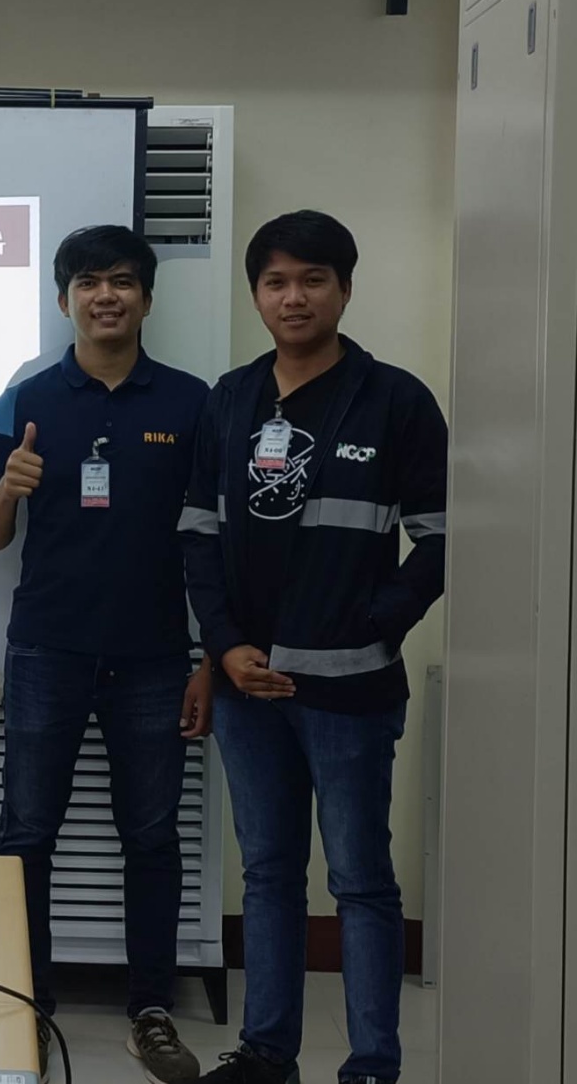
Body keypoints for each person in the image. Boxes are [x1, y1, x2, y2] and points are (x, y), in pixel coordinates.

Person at [180, 211, 446, 1084]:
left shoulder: (396, 399)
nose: (293, 297)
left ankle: (371, 1063)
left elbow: (442, 537)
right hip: (247, 690)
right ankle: (267, 1053)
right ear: (256, 294)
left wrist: (373, 622)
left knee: (361, 880)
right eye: (275, 282)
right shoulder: (229, 399)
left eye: (312, 280)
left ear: (344, 289)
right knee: (267, 874)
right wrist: (224, 647)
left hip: (351, 692)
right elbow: (199, 536)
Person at [0, 225, 210, 1084]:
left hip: (155, 656)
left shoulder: (192, 402)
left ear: (147, 297)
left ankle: (150, 1011)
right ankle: (29, 1006)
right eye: (90, 281)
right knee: (25, 833)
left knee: (152, 836)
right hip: (47, 650)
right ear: (64, 298)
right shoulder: (25, 398)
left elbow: (218, 543)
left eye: (124, 280)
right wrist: (7, 489)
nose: (107, 295)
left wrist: (210, 655)